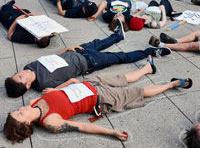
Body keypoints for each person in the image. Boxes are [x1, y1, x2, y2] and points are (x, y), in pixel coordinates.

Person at [3, 56, 193, 144]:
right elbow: (83, 127)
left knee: (124, 77)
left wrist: (66, 83)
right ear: (27, 122)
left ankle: (146, 69)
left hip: (90, 83)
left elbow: (53, 94)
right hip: (100, 99)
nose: (20, 109)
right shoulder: (50, 122)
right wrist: (112, 132)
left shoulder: (31, 103)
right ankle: (171, 85)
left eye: (16, 110)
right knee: (138, 91)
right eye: (19, 114)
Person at [4, 18, 171, 98]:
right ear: (26, 84)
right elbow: (72, 82)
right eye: (20, 76)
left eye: (17, 73)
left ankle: (118, 36)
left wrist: (66, 49)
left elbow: (51, 58)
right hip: (89, 62)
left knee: (100, 42)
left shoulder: (29, 66)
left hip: (77, 51)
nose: (21, 71)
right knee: (121, 57)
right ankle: (151, 51)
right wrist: (56, 91)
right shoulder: (44, 84)